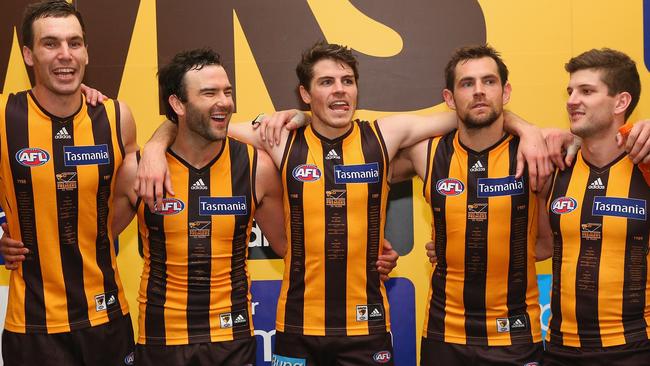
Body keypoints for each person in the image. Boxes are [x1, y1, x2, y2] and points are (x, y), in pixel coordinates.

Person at [137, 41, 551, 365]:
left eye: (347, 81)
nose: (340, 90)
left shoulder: (385, 135)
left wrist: (527, 129)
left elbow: (472, 112)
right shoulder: (280, 140)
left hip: (367, 328)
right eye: (326, 82)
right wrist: (156, 148)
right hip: (296, 326)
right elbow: (201, 123)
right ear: (305, 93)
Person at [107, 48, 289, 365]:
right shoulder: (139, 170)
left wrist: (366, 252)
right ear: (177, 103)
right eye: (209, 93)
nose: (224, 101)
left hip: (231, 339)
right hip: (161, 340)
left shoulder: (256, 167)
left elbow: (289, 245)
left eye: (227, 92)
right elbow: (92, 240)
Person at [391, 45, 550, 365]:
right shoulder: (427, 155)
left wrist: (527, 129)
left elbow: (545, 246)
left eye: (489, 82)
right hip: (444, 335)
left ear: (505, 92)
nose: (479, 91)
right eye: (467, 84)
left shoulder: (535, 153)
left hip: (516, 335)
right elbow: (351, 165)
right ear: (449, 98)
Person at [0, 1, 138, 365]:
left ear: (87, 52)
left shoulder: (115, 116)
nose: (65, 55)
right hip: (33, 327)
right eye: (51, 44)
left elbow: (129, 196)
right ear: (28, 54)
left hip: (106, 316)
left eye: (74, 43)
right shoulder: (4, 116)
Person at [537, 48, 650, 366]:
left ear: (621, 102)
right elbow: (537, 248)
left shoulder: (645, 165)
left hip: (635, 348)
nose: (572, 100)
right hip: (559, 349)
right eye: (571, 91)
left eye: (587, 91)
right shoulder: (556, 164)